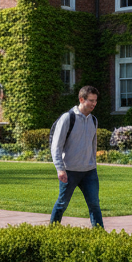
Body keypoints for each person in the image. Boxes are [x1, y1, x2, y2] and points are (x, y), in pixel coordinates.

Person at [49, 85, 103, 228]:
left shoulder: (93, 120)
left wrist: (93, 163)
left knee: (94, 204)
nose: (94, 104)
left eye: (95, 101)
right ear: (81, 99)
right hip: (70, 171)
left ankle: (100, 234)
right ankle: (52, 230)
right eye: (91, 100)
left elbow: (93, 145)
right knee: (62, 203)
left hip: (89, 171)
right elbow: (56, 146)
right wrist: (60, 169)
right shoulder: (68, 118)